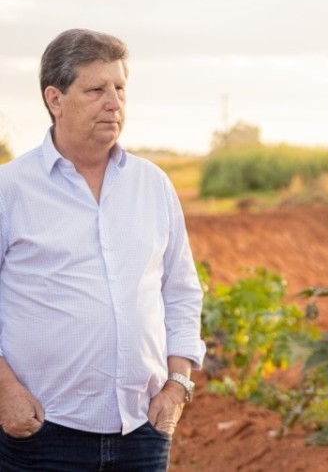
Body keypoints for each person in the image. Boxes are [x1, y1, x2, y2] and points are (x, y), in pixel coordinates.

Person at [0, 29, 205, 470]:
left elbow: (181, 291)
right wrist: (5, 392)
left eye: (120, 89)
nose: (114, 103)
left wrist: (177, 386)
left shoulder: (153, 185)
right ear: (55, 99)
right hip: (42, 431)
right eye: (96, 90)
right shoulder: (10, 189)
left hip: (142, 431)